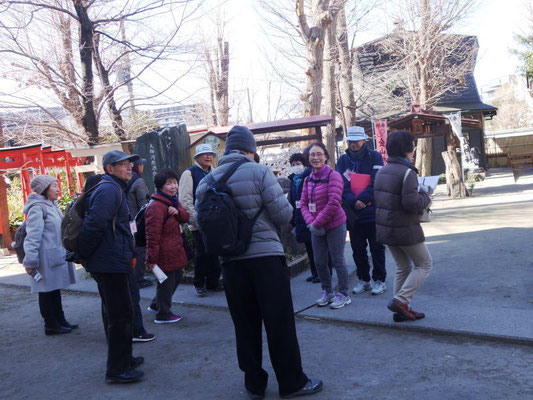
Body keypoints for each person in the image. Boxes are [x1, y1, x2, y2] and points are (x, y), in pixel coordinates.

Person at [195, 125, 322, 399]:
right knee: (279, 323)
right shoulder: (259, 171)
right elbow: (283, 214)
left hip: (231, 263)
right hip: (265, 260)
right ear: (250, 150)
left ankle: (254, 385)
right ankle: (291, 382)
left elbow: (199, 221)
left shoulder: (207, 180)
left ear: (228, 151)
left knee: (245, 325)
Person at [78, 150, 144, 384]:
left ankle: (125, 358)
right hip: (109, 263)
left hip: (114, 260)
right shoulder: (108, 189)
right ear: (109, 169)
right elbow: (95, 224)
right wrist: (84, 254)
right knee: (120, 316)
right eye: (122, 164)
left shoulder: (113, 187)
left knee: (118, 313)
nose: (129, 168)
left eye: (129, 164)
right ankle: (116, 370)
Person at [84, 174, 155, 343]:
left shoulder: (96, 202)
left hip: (110, 260)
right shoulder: (102, 202)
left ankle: (121, 337)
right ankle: (133, 333)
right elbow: (94, 230)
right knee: (126, 300)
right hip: (113, 261)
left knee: (112, 303)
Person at [374, 130, 433, 322]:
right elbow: (411, 204)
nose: (414, 150)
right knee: (424, 264)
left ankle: (401, 309)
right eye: (413, 147)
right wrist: (426, 194)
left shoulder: (381, 171)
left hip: (386, 228)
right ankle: (401, 301)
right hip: (405, 228)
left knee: (402, 267)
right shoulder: (408, 172)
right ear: (408, 149)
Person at [22, 175, 77, 335]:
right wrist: (30, 261)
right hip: (43, 258)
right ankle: (51, 324)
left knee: (54, 289)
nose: (58, 188)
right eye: (54, 185)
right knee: (46, 291)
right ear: (44, 189)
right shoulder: (37, 208)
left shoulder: (52, 205)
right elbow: (32, 235)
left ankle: (60, 319)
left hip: (53, 254)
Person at [336, 126, 387, 296]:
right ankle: (363, 279)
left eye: (356, 140)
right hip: (353, 214)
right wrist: (353, 201)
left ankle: (379, 280)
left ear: (364, 140)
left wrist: (363, 200)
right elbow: (341, 184)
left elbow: (377, 181)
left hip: (372, 211)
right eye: (350, 141)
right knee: (358, 249)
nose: (353, 144)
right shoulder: (343, 160)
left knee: (377, 248)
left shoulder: (375, 156)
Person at [300, 142, 351, 310]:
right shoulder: (307, 179)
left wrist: (317, 223)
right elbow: (303, 203)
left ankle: (343, 294)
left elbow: (334, 202)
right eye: (312, 155)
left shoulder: (334, 176)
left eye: (319, 154)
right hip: (315, 226)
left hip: (335, 224)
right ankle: (327, 291)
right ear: (308, 158)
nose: (315, 158)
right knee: (319, 261)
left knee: (337, 259)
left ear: (326, 156)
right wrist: (310, 223)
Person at [145, 168, 190, 324]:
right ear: (160, 186)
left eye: (175, 182)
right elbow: (152, 235)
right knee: (167, 282)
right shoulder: (156, 206)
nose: (173, 187)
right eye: (168, 183)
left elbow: (186, 217)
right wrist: (151, 259)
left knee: (176, 277)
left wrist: (177, 211)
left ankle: (155, 304)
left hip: (175, 249)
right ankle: (163, 313)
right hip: (164, 252)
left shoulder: (173, 201)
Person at [179, 143, 222, 297]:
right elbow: (185, 200)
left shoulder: (215, 172)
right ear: (197, 157)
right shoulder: (189, 173)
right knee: (203, 253)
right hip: (198, 222)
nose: (208, 156)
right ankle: (199, 283)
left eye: (210, 154)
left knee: (214, 252)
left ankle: (213, 282)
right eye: (204, 154)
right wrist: (195, 219)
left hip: (214, 220)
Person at [287, 153, 319, 283]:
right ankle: (314, 272)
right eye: (293, 165)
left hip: (311, 214)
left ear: (304, 164)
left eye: (298, 164)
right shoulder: (292, 180)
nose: (296, 167)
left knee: (317, 247)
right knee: (308, 246)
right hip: (299, 216)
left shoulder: (310, 176)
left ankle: (321, 272)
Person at [126, 158, 152, 289]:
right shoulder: (138, 181)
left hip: (126, 219)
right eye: (141, 165)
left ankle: (133, 275)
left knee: (131, 246)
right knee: (140, 248)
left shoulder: (126, 179)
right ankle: (138, 278)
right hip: (137, 220)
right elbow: (143, 203)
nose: (142, 167)